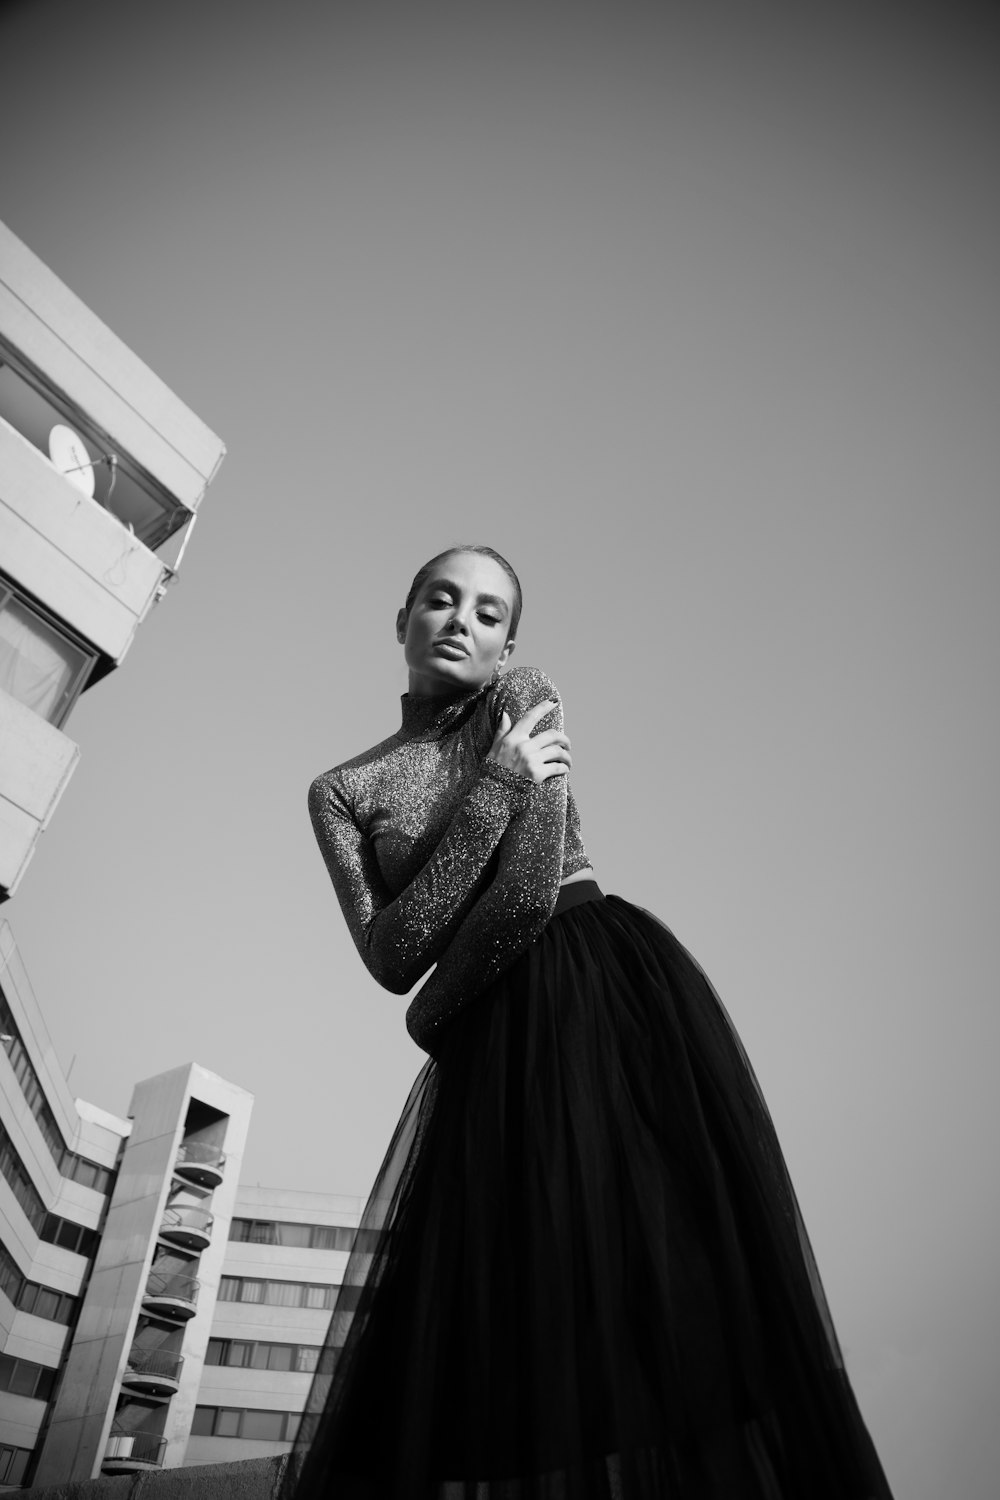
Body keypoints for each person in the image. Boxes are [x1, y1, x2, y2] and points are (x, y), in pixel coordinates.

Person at [286, 544, 895, 1499]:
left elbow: (530, 894)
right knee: (514, 1314)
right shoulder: (341, 791)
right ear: (400, 617)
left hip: (594, 996)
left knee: (658, 1283)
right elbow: (388, 954)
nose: (462, 621)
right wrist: (494, 788)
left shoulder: (523, 693)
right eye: (441, 600)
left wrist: (428, 1016)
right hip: (489, 1045)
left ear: (508, 641)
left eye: (489, 612)